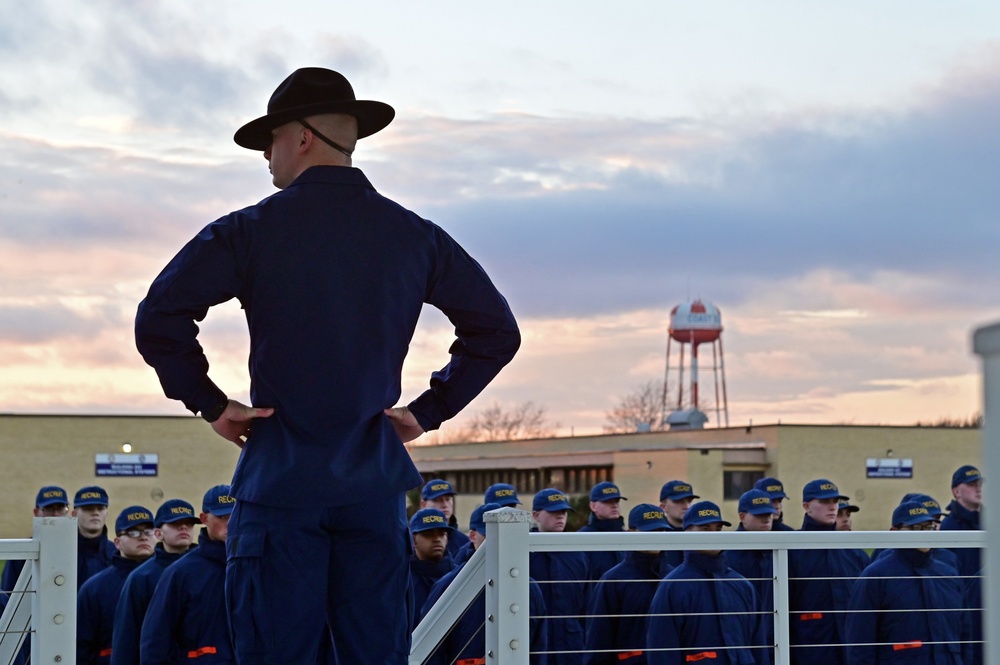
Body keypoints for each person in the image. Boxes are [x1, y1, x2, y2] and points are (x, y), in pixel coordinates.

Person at [133, 67, 520, 664]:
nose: (266, 153)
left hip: (280, 481)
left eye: (272, 138)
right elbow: (496, 333)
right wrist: (426, 411)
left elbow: (158, 318)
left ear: (305, 136)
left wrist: (211, 403)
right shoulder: (415, 237)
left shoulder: (248, 231)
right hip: (371, 488)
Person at [421, 503, 548, 665]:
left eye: (506, 536)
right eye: (490, 536)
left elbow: (539, 647)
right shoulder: (449, 586)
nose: (500, 542)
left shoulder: (529, 588)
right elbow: (431, 650)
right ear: (473, 536)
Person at [845, 501, 972, 664]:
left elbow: (966, 637)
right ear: (894, 531)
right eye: (916, 528)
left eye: (928, 527)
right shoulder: (876, 577)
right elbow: (860, 644)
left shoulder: (949, 575)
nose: (924, 534)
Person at [646, 501, 761, 665]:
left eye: (718, 529)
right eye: (705, 529)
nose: (713, 535)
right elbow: (662, 651)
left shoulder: (742, 585)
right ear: (686, 533)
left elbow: (758, 646)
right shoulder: (672, 586)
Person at [140, 486, 235, 664]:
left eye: (235, 515)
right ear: (204, 519)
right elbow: (156, 639)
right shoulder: (181, 573)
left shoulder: (254, 567)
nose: (230, 523)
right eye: (222, 517)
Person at [788, 480, 869, 665]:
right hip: (809, 650)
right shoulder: (791, 549)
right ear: (806, 506)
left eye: (834, 501)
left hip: (851, 650)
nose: (832, 507)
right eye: (824, 502)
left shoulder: (854, 552)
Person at [111, 499, 199, 665]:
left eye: (189, 523)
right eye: (175, 523)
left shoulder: (206, 570)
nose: (183, 527)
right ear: (158, 534)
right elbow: (126, 637)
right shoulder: (141, 577)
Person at [584, 504, 672, 665]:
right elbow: (599, 641)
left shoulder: (673, 578)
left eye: (660, 531)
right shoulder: (613, 581)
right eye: (650, 531)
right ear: (631, 533)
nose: (656, 536)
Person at [77, 506, 156, 665]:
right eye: (133, 533)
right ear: (117, 543)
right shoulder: (95, 588)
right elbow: (81, 647)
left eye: (148, 531)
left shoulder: (169, 579)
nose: (143, 537)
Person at [530, 488, 591, 665]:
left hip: (571, 647)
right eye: (553, 512)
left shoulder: (577, 555)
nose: (560, 516)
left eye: (563, 511)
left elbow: (586, 606)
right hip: (534, 645)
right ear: (536, 515)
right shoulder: (523, 554)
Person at [727, 489, 779, 665]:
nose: (766, 519)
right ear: (742, 517)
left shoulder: (780, 552)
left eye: (769, 514)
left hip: (776, 639)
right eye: (759, 515)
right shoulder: (727, 556)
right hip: (740, 641)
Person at [407, 508, 457, 630]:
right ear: (413, 539)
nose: (436, 539)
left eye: (441, 533)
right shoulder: (403, 579)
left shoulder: (459, 576)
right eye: (428, 534)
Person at [578, 481, 627, 580]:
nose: (614, 505)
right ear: (593, 506)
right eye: (608, 501)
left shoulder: (627, 536)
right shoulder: (582, 538)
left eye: (616, 501)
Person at [940, 464, 983, 578]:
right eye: (971, 485)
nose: (978, 489)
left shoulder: (992, 522)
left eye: (980, 484)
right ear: (956, 492)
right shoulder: (949, 526)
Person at [74, 486, 119, 587]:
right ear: (74, 514)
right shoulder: (63, 552)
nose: (95, 513)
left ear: (106, 514)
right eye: (88, 509)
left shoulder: (117, 553)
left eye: (100, 508)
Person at [420, 479, 471, 559]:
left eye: (448, 499)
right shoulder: (414, 539)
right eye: (437, 500)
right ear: (423, 504)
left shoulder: (464, 541)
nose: (445, 505)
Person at [658, 480, 698, 567]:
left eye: (689, 501)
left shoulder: (699, 535)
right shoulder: (658, 537)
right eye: (678, 501)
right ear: (663, 507)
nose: (686, 506)